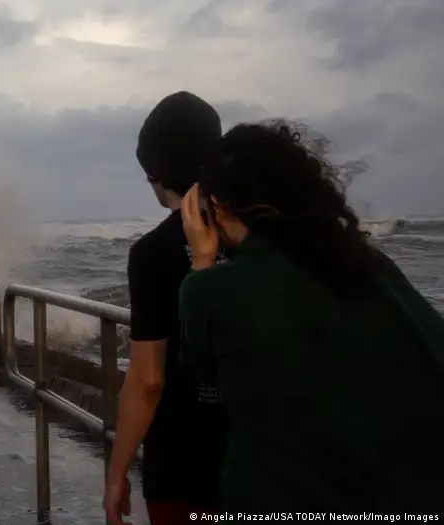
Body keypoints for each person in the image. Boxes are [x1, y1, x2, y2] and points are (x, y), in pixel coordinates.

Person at [178, 119, 444, 512]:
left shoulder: (210, 290)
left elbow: (199, 369)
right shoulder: (371, 267)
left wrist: (201, 260)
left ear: (216, 209)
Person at [105, 91, 229, 525]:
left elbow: (147, 380)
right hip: (264, 459)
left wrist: (117, 473)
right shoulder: (260, 236)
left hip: (184, 465)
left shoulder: (153, 253)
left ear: (155, 175)